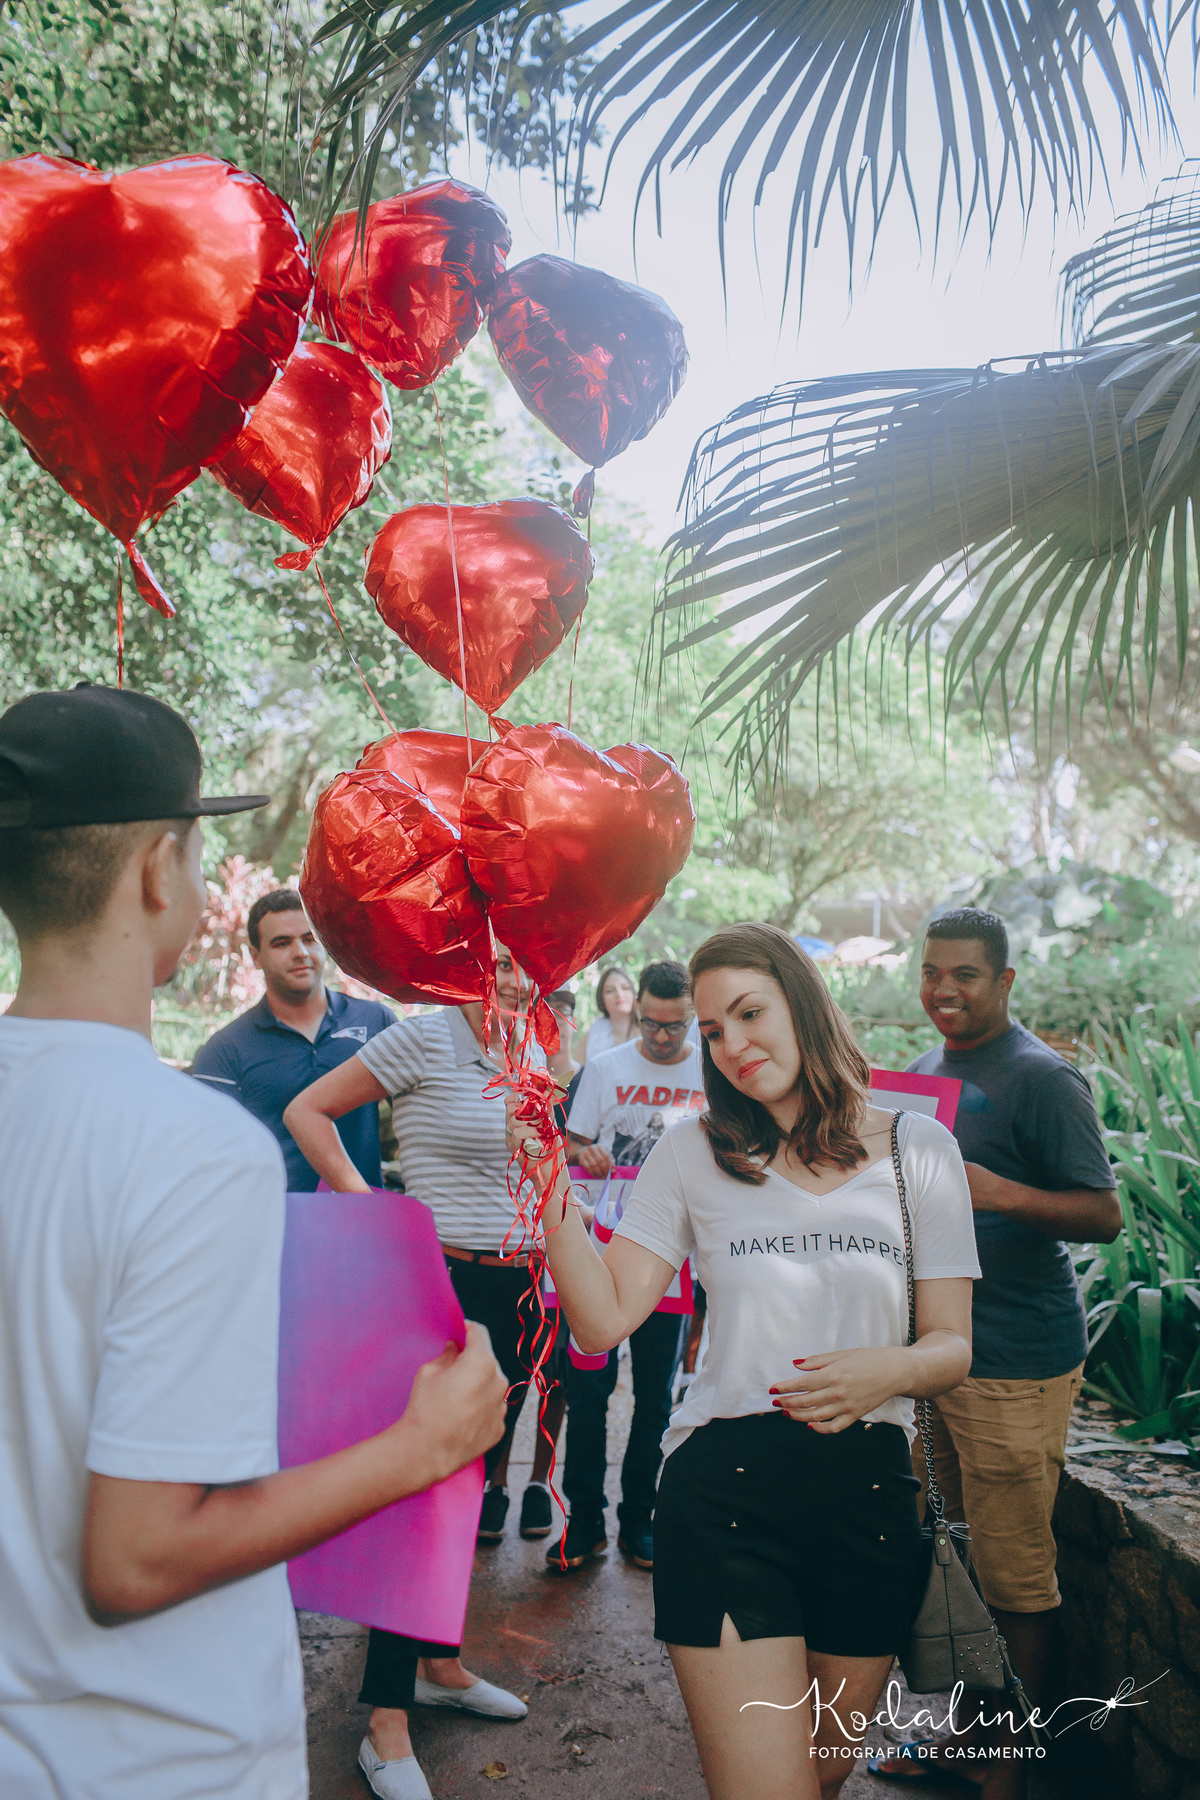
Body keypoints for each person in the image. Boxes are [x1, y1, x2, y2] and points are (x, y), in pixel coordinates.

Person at [0, 685, 506, 1800]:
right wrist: (423, 1446)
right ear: (155, 871)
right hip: (160, 1756)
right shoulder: (190, 1143)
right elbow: (134, 1558)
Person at [508, 921, 980, 1800]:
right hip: (725, 1500)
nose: (730, 1046)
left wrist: (893, 1369)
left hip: (872, 1507)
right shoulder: (695, 1152)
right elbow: (604, 1320)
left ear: (803, 1003)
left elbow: (952, 1344)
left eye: (748, 1013)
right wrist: (546, 1183)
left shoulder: (923, 1150)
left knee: (818, 1783)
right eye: (713, 1029)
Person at [283, 954, 557, 1798]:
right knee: (421, 1499)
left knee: (467, 1493)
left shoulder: (535, 1048)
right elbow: (309, 1111)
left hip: (520, 1288)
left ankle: (440, 1663)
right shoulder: (424, 1039)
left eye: (529, 968)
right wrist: (375, 1212)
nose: (516, 982)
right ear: (471, 962)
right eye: (502, 964)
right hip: (438, 1287)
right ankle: (385, 1726)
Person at [885, 907, 1122, 1799]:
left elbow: (1103, 1214)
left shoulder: (1042, 1079)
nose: (944, 990)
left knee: (1016, 1574)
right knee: (949, 1557)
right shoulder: (917, 1079)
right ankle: (957, 1738)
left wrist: (1001, 1193)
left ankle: (1005, 1773)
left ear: (1006, 981)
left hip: (1018, 1360)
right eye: (931, 973)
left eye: (966, 976)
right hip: (934, 1358)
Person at [552, 959, 705, 1572]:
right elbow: (566, 1140)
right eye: (651, 1024)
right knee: (587, 1391)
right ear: (633, 1010)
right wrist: (582, 1149)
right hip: (600, 1247)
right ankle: (583, 1520)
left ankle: (638, 1522)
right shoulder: (608, 1068)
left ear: (691, 1015)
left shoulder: (711, 1068)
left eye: (675, 1026)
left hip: (673, 1257)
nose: (663, 1037)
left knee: (655, 1399)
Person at [192, 888, 395, 1189]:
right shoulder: (225, 1050)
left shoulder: (375, 1021)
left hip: (365, 1218)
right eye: (282, 943)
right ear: (255, 956)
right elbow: (208, 1154)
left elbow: (423, 1119)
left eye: (309, 939)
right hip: (276, 1224)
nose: (300, 952)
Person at [581, 964, 637, 1062]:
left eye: (625, 988)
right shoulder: (594, 1032)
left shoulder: (646, 1029)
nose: (619, 994)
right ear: (602, 998)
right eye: (610, 991)